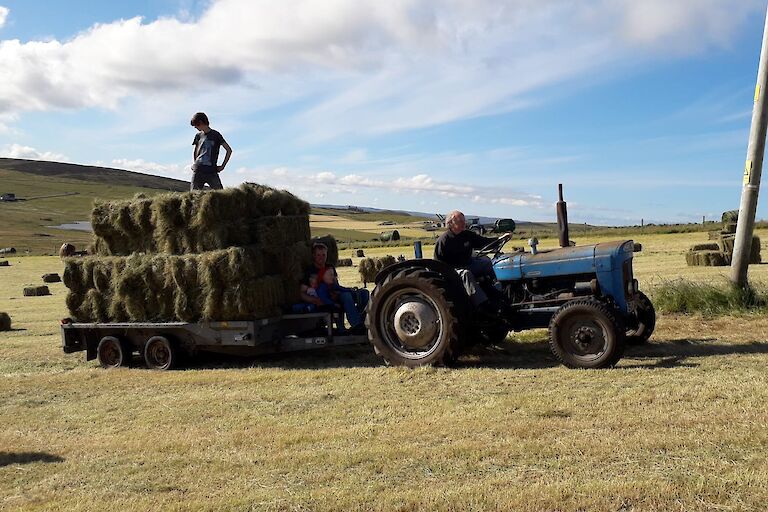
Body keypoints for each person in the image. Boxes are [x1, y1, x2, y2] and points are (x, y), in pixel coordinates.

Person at [434, 210, 499, 312]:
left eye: (464, 221)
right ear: (451, 223)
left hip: (469, 263)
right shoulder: (444, 240)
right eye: (460, 221)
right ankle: (483, 304)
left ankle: (498, 290)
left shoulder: (467, 235)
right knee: (466, 274)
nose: (464, 223)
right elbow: (438, 264)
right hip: (452, 270)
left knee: (487, 263)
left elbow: (484, 242)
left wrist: (499, 239)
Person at [300, 242, 369, 333]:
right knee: (346, 296)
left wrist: (349, 289)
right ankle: (357, 326)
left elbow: (336, 285)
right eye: (318, 255)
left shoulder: (330, 267)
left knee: (364, 293)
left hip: (335, 293)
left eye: (323, 255)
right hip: (325, 298)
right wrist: (315, 300)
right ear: (313, 255)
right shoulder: (310, 271)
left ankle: (363, 321)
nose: (321, 257)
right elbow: (301, 293)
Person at [190, 112, 233, 191]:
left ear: (201, 122)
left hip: (211, 171)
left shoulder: (216, 135)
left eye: (196, 125)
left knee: (222, 195)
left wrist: (223, 166)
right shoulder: (198, 136)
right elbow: (196, 151)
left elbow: (229, 150)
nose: (195, 127)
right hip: (198, 171)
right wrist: (195, 164)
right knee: (193, 197)